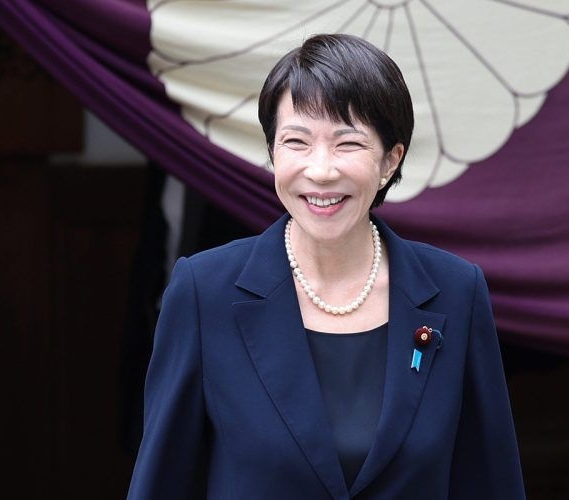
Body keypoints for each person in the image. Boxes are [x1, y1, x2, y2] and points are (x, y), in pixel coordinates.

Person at [127, 33, 525, 500]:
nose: (320, 170)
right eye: (296, 142)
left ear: (390, 160)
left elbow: (490, 480)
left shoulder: (456, 292)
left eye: (347, 143)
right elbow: (162, 482)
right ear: (273, 152)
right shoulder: (204, 292)